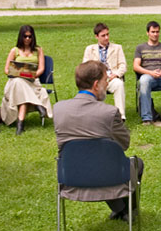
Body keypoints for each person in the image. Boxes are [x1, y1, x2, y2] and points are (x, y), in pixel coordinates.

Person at [53, 61, 141, 222]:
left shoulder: (59, 109)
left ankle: (120, 209)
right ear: (95, 85)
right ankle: (128, 210)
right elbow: (124, 144)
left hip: (71, 176)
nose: (107, 84)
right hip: (107, 176)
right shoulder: (109, 112)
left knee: (98, 161)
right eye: (105, 80)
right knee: (135, 163)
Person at [1, 24, 53, 134]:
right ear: (21, 37)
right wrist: (17, 73)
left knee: (22, 92)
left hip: (32, 81)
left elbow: (41, 68)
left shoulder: (38, 50)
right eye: (25, 36)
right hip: (15, 81)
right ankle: (37, 104)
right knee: (18, 82)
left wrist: (33, 75)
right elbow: (6, 69)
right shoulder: (14, 51)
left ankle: (20, 125)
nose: (27, 39)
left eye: (30, 36)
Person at [82, 22, 127, 120]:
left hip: (111, 78)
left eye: (107, 34)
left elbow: (123, 65)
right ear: (96, 36)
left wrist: (116, 74)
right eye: (103, 35)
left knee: (119, 84)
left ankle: (120, 116)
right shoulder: (90, 49)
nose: (106, 38)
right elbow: (85, 67)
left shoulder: (117, 48)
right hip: (97, 80)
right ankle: (97, 116)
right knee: (93, 88)